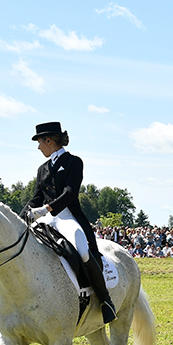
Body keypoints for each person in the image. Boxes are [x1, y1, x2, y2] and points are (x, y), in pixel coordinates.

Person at [20, 122, 117, 324]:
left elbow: (70, 193)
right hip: (46, 217)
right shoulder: (42, 169)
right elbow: (36, 198)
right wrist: (19, 218)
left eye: (39, 142)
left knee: (82, 249)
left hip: (67, 215)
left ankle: (105, 300)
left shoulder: (73, 162)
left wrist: (46, 209)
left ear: (49, 140)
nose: (38, 147)